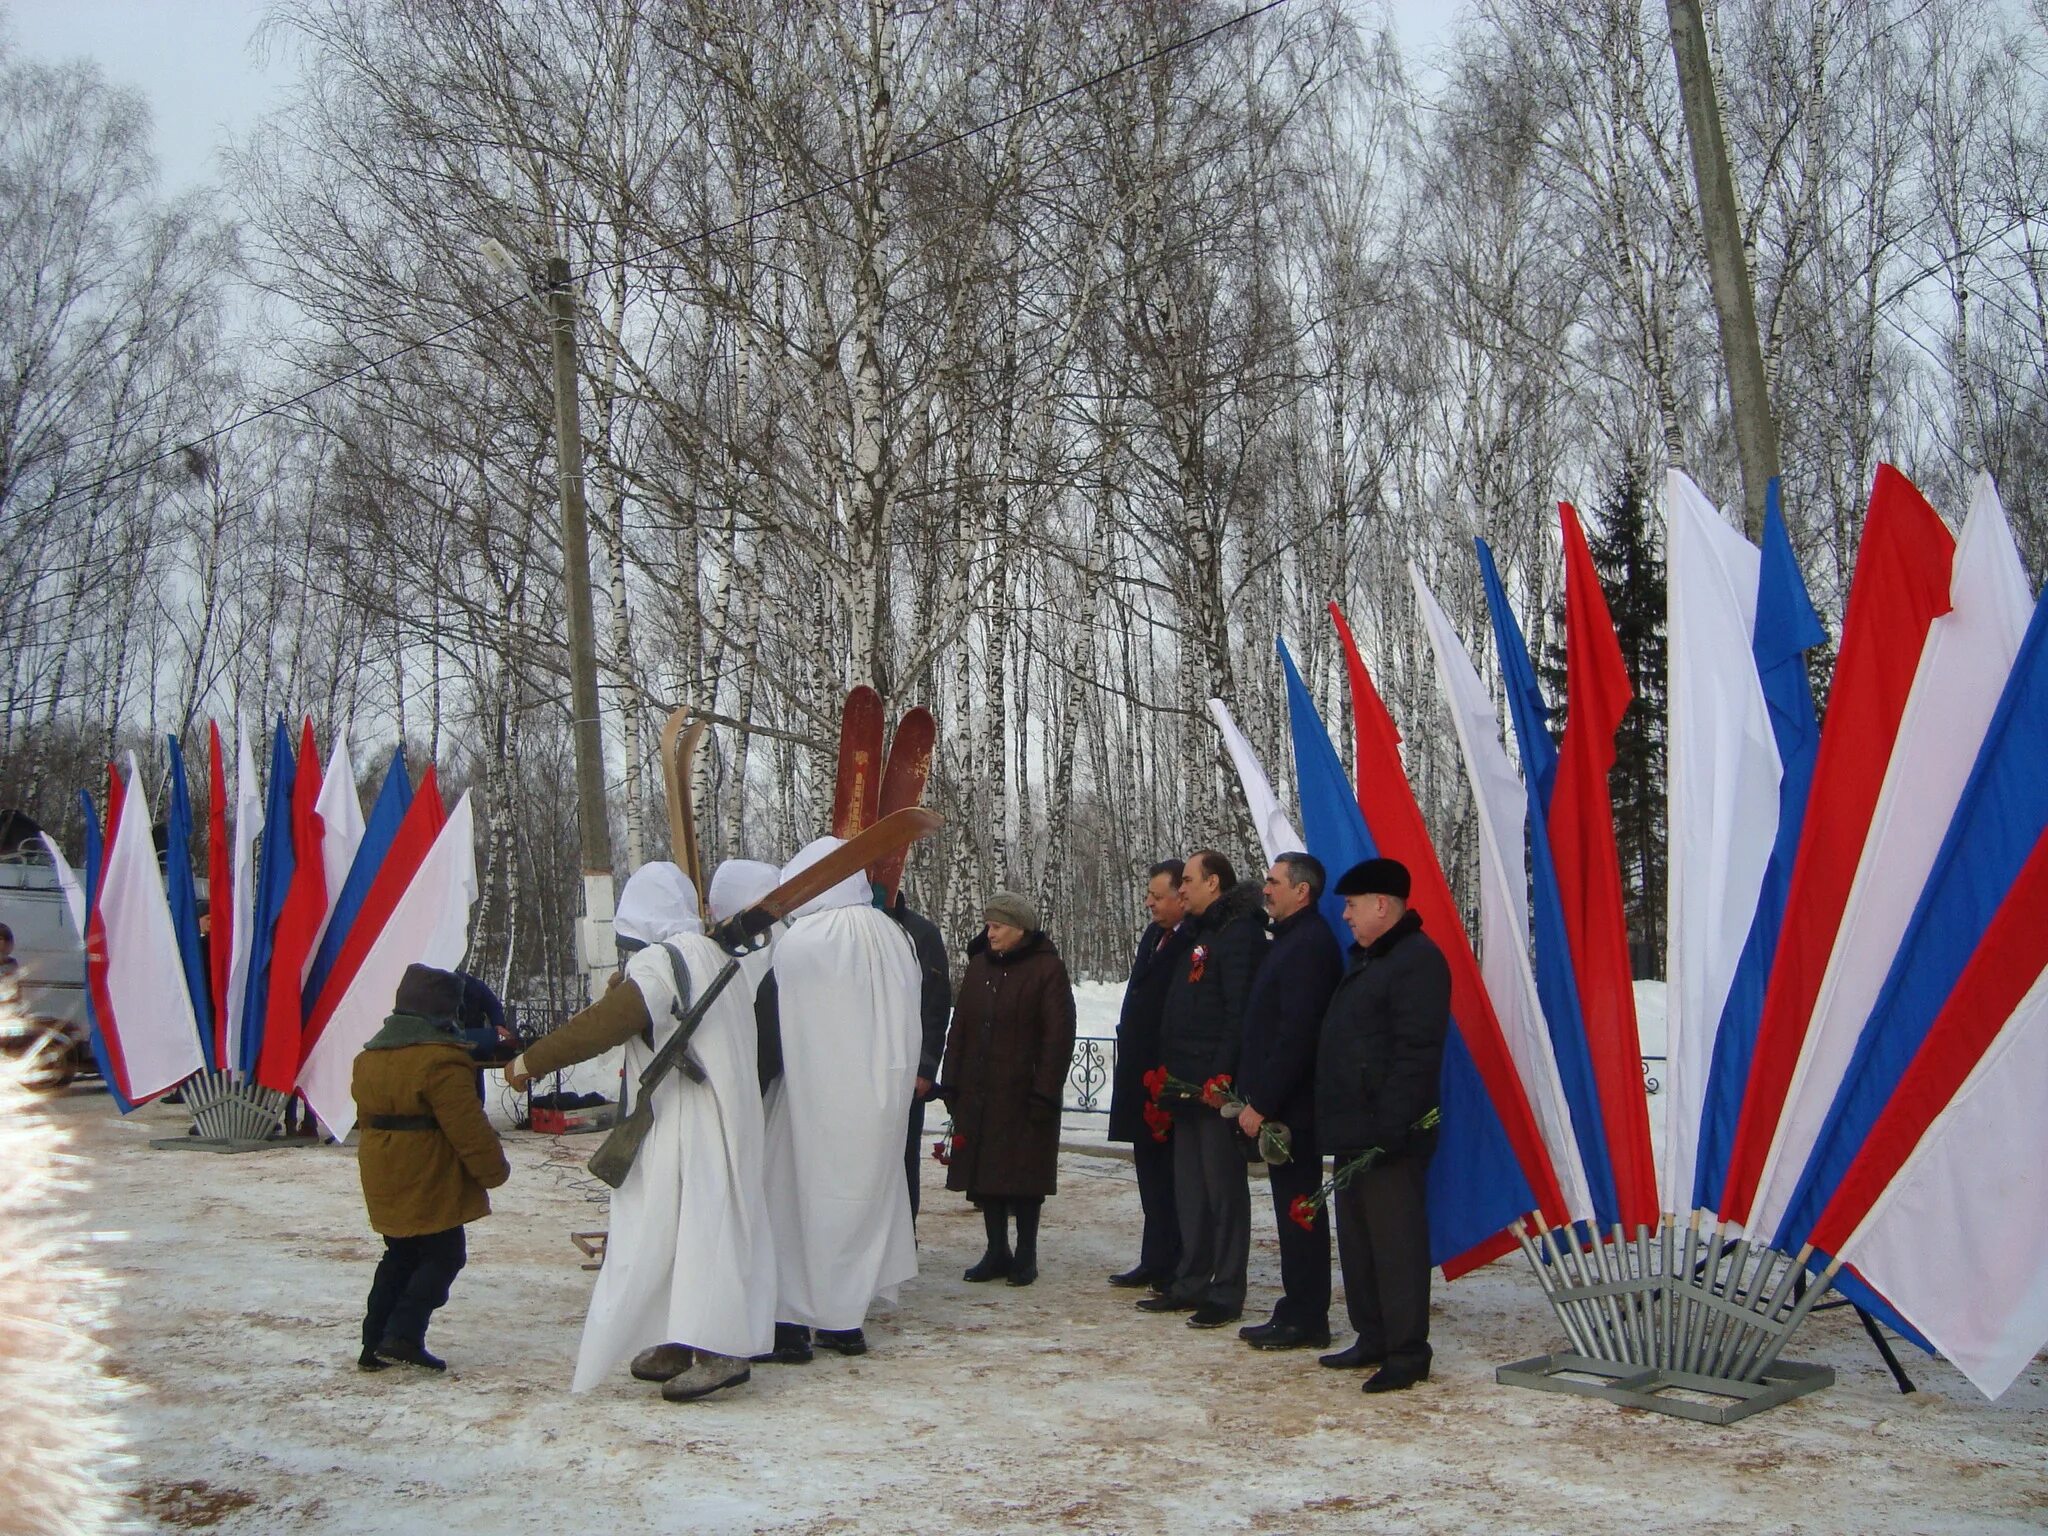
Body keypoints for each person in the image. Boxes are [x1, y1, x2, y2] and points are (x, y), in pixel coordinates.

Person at [505, 861, 774, 1403]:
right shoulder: (716, 955)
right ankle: (678, 1338)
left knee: (698, 1229)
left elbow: (605, 1024)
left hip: (686, 1120)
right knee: (678, 1229)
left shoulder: (660, 963)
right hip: (711, 1115)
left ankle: (719, 1346)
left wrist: (527, 1062)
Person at [759, 837, 921, 1361]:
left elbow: (776, 1027)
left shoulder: (807, 940)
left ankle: (791, 1320)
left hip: (811, 1099)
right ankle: (843, 1318)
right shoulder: (894, 937)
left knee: (792, 1198)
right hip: (877, 1101)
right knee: (859, 1205)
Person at [1315, 856, 1450, 1393]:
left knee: (1396, 1245)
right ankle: (1372, 1334)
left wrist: (1391, 1128)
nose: (1344, 915)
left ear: (1380, 905)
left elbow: (1416, 1054)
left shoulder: (1416, 961)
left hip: (1389, 1137)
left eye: (1351, 905)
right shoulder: (1370, 960)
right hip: (1355, 1131)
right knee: (1359, 1241)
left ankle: (1406, 1350)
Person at [351, 963, 510, 1373]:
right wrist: (494, 1171)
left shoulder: (370, 1055)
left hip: (382, 1167)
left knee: (400, 1254)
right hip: (426, 1172)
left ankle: (374, 1342)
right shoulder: (440, 1061)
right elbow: (467, 1126)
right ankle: (402, 1335)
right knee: (444, 1254)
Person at [1138, 848, 1267, 1329]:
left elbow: (1239, 1013)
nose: (1182, 888)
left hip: (1215, 1088)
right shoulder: (1199, 933)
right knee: (1190, 1189)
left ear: (1213, 883)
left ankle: (1227, 1288)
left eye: (1188, 880)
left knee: (1223, 1191)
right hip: (1184, 1084)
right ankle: (1191, 1280)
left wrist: (1223, 1076)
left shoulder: (1239, 935)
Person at [937, 891, 1077, 1287]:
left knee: (1024, 1176)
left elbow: (1058, 1035)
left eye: (997, 926)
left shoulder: (1047, 969)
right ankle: (996, 1250)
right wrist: (952, 1082)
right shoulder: (980, 966)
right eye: (988, 926)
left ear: (1019, 929)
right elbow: (960, 1026)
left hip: (1025, 1093)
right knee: (986, 1175)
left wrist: (1045, 1090)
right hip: (981, 1091)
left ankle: (1026, 1254)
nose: (990, 933)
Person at [1234, 854, 1344, 1351]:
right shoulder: (1290, 939)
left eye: (1274, 882)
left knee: (1301, 1213)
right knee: (1290, 1211)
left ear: (1303, 891)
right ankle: (1296, 1307)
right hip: (1282, 1104)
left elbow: (1296, 1034)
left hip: (1293, 1110)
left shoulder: (1310, 944)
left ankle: (1306, 1315)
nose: (1266, 889)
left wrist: (1264, 1102)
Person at [1103, 860, 1192, 1290]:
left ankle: (1177, 1261)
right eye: (1149, 895)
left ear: (1183, 896)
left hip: (1171, 1076)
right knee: (1149, 1174)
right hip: (1140, 1072)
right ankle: (1153, 1257)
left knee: (1174, 1178)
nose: (1149, 903)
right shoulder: (1154, 935)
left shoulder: (1193, 940)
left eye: (1158, 896)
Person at [885, 887, 951, 1222]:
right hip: (864, 1067)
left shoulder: (921, 934)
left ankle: (904, 1230)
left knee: (904, 1154)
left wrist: (925, 1067)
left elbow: (935, 1007)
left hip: (906, 1067)